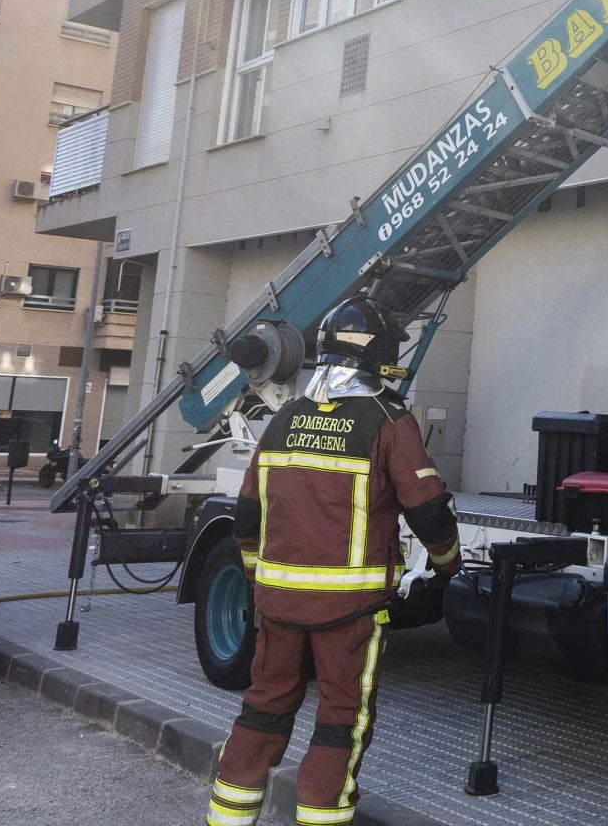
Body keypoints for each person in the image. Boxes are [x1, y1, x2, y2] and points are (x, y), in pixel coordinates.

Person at [205, 294, 461, 826]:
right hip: (350, 611)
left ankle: (226, 819)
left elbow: (247, 514)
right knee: (340, 722)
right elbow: (429, 509)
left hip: (277, 605)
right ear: (381, 357)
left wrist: (262, 582)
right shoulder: (388, 419)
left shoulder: (284, 420)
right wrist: (447, 563)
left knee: (264, 709)